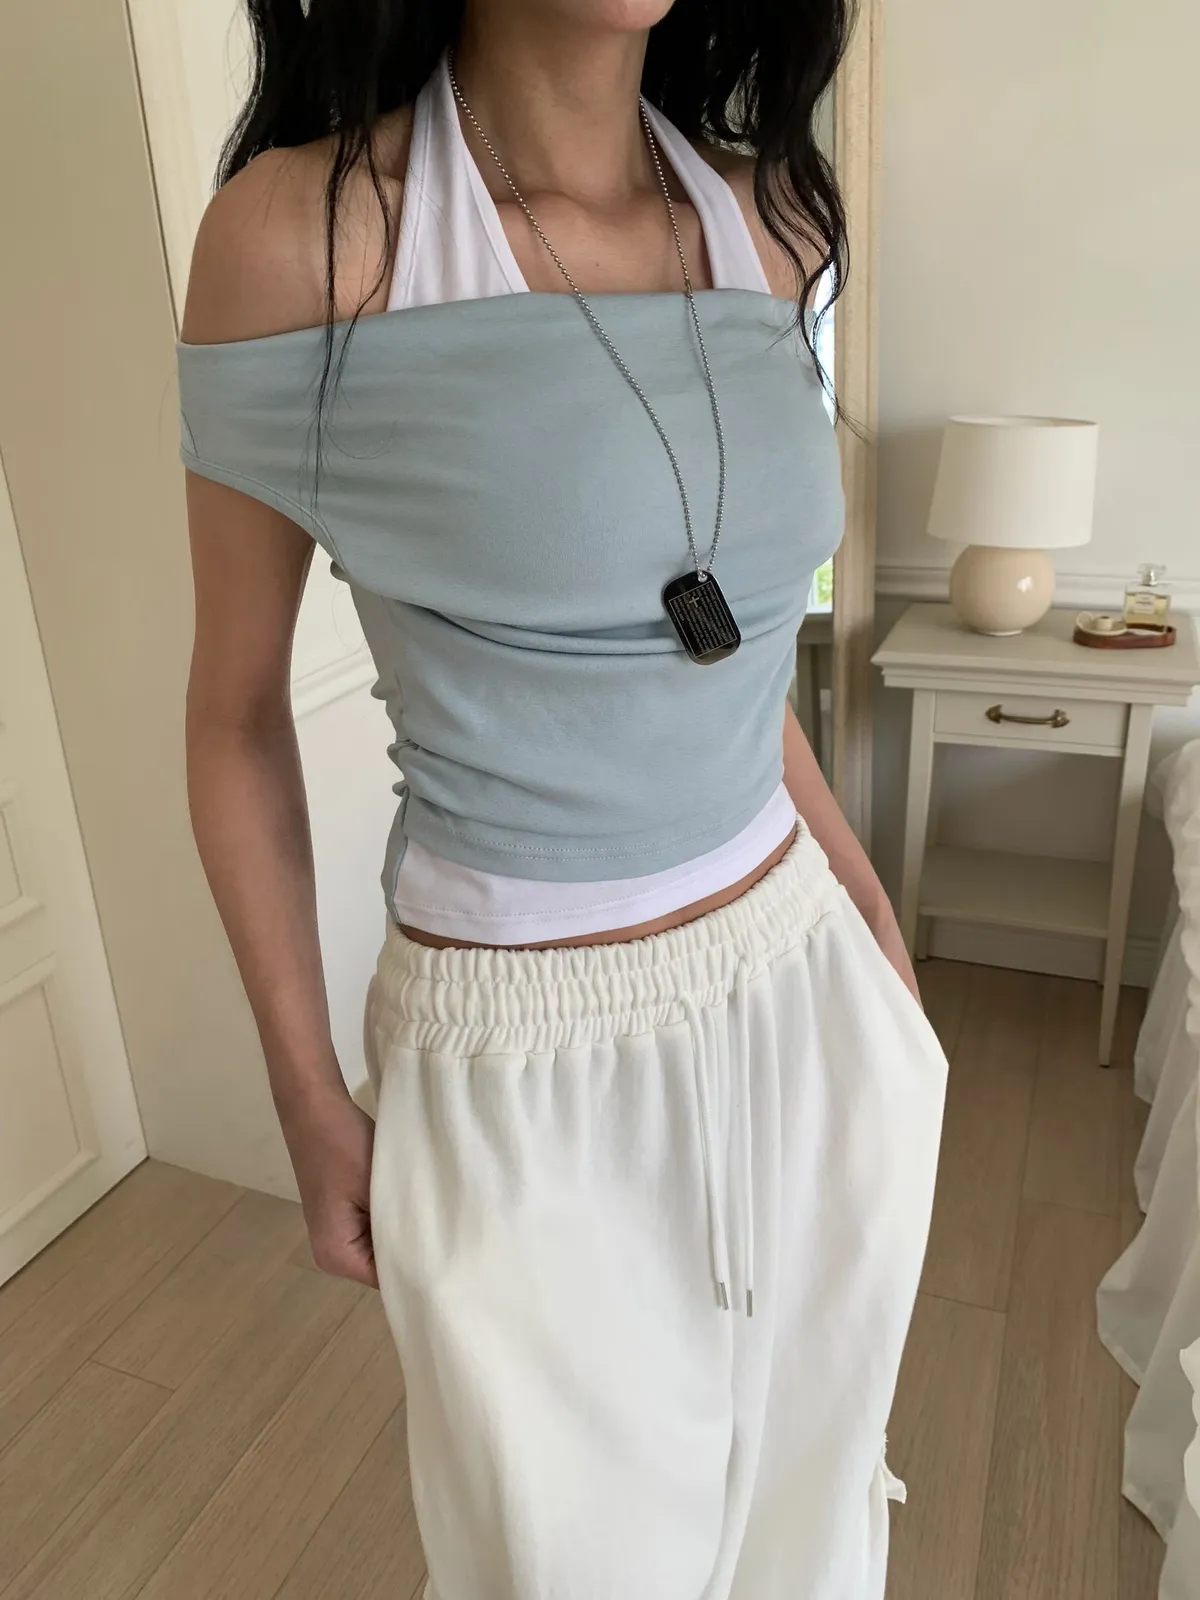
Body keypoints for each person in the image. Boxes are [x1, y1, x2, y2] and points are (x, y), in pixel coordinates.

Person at [178, 2, 948, 1595]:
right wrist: (306, 1097)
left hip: (809, 991)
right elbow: (236, 718)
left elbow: (736, 657)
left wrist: (865, 908)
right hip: (526, 1058)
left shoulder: (772, 218)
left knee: (813, 1538)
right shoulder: (307, 246)